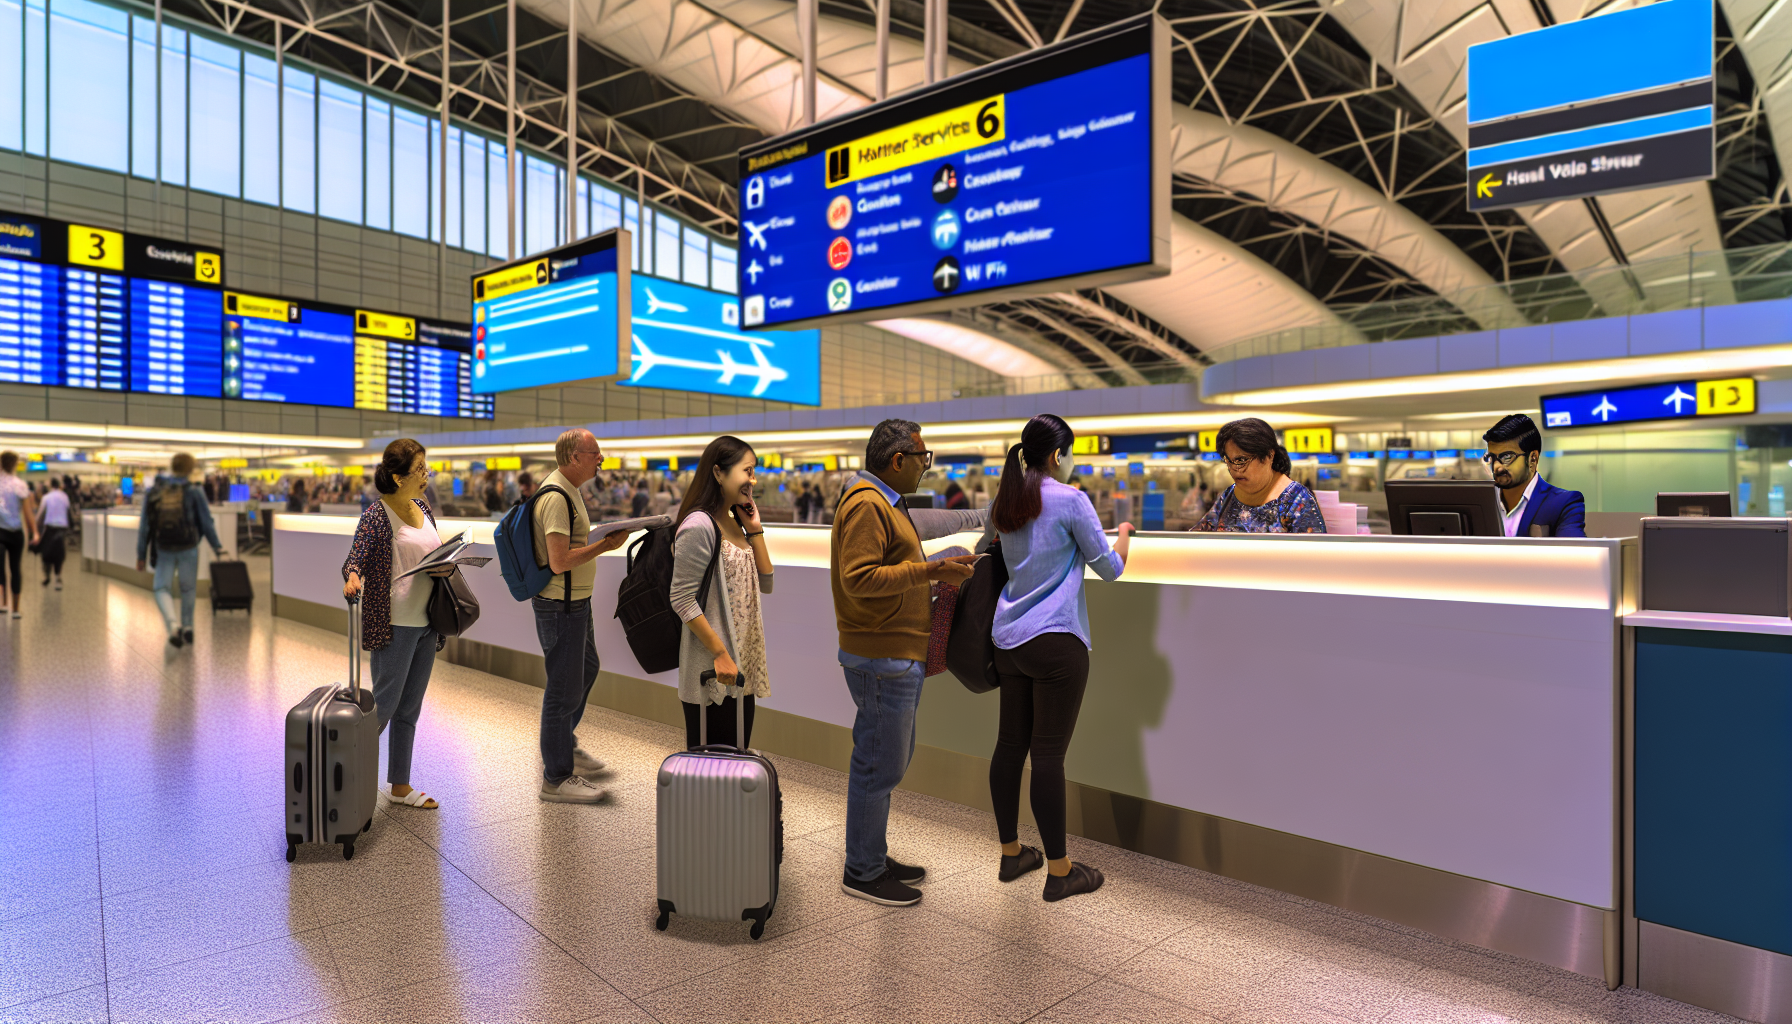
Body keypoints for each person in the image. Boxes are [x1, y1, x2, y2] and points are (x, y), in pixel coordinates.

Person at [831, 418, 988, 907]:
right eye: (923, 458)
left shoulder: (882, 503)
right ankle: (862, 870)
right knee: (879, 765)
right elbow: (858, 577)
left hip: (891, 652)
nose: (926, 467)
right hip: (881, 655)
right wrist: (933, 570)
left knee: (885, 762)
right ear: (898, 461)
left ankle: (871, 853)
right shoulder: (867, 505)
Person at [987, 415, 1131, 901]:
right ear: (1057, 456)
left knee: (1010, 748)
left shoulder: (1006, 499)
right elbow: (1109, 568)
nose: (1072, 462)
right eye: (1070, 453)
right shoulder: (1071, 500)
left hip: (1008, 640)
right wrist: (1126, 534)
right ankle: (1060, 871)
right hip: (1056, 642)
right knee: (1048, 755)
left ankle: (1012, 855)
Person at [341, 439, 458, 809]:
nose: (427, 475)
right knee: (384, 706)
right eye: (420, 469)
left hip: (428, 621)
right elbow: (355, 556)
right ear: (397, 477)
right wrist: (354, 576)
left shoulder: (423, 508)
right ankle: (343, 776)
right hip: (395, 623)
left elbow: (431, 551)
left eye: (427, 468)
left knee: (410, 707)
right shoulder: (377, 516)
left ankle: (400, 785)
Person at [531, 429, 638, 803]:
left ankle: (564, 743)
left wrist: (597, 540)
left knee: (587, 668)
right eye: (595, 453)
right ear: (574, 457)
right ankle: (556, 778)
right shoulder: (557, 496)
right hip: (562, 606)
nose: (602, 459)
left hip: (576, 601)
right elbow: (559, 560)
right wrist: (603, 545)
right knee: (563, 689)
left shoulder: (570, 490)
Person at [670, 437, 774, 750]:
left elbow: (767, 582)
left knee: (735, 766)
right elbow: (681, 598)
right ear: (718, 472)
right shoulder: (699, 525)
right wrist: (720, 654)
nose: (753, 480)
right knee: (711, 773)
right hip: (713, 670)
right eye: (747, 471)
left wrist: (754, 529)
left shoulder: (734, 522)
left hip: (742, 667)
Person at [136, 453, 226, 648]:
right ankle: (188, 627)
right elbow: (206, 522)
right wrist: (217, 547)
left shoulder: (155, 491)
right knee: (188, 588)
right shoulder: (194, 491)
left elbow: (144, 526)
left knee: (161, 588)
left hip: (164, 547)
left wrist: (141, 554)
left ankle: (172, 625)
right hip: (188, 546)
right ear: (191, 469)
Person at [1194, 418, 1326, 534]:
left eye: (1241, 460)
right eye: (1228, 461)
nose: (1234, 469)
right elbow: (1197, 538)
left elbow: (1314, 556)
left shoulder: (1297, 500)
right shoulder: (1229, 496)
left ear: (1269, 456)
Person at [1483, 413, 1586, 538]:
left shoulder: (1563, 503)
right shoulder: (1482, 502)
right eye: (1491, 458)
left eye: (1506, 457)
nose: (1496, 467)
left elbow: (1574, 553)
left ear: (1533, 459)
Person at [0, 452, 38, 620]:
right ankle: (15, 609)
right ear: (15, 465)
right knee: (16, 569)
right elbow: (28, 512)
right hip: (16, 532)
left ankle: (3, 604)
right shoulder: (20, 485)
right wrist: (34, 532)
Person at [37, 477, 69, 590]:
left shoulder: (46, 497)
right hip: (62, 528)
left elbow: (40, 514)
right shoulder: (65, 496)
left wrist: (35, 529)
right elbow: (68, 511)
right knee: (59, 554)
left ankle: (47, 576)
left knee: (46, 553)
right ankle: (58, 578)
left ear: (50, 485)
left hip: (49, 528)